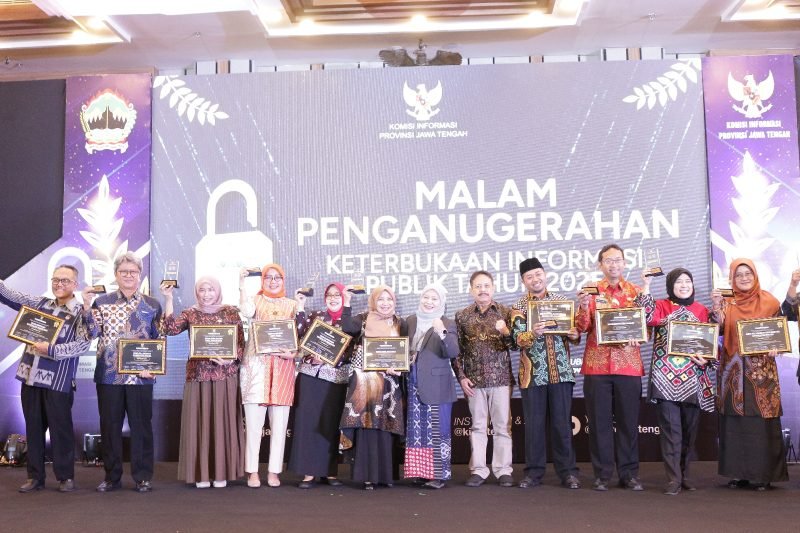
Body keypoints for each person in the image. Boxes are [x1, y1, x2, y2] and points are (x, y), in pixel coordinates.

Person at [0, 266, 90, 493]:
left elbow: (83, 345)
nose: (59, 284)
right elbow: (10, 295)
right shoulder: (40, 303)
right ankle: (35, 477)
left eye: (65, 280)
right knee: (33, 429)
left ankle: (65, 477)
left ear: (75, 284)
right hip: (30, 378)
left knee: (61, 431)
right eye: (56, 279)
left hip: (59, 381)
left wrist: (51, 350)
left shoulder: (82, 312)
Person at [84, 252, 163, 493]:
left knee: (142, 427)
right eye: (124, 271)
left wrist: (153, 369)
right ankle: (112, 477)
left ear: (140, 275)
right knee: (110, 428)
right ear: (116, 275)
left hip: (141, 377)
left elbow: (159, 339)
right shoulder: (101, 302)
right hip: (109, 376)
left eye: (133, 272)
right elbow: (91, 333)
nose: (129, 275)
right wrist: (86, 306)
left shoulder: (152, 304)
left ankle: (142, 477)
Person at [634, 268, 715, 495]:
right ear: (671, 286)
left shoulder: (702, 310)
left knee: (689, 433)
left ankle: (684, 475)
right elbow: (645, 316)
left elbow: (710, 340)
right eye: (679, 282)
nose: (684, 285)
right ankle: (673, 479)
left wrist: (706, 359)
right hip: (665, 381)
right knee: (671, 432)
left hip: (694, 380)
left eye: (687, 281)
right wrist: (646, 285)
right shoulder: (661, 306)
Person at [162, 276, 245, 489]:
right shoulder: (190, 312)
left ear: (218, 291)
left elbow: (241, 344)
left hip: (224, 376)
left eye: (211, 289)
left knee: (222, 424)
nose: (207, 294)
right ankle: (201, 474)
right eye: (202, 290)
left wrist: (230, 359)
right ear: (196, 292)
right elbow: (169, 329)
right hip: (197, 376)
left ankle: (222, 473)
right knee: (198, 424)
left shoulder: (230, 312)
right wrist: (168, 298)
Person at [712, 258, 788, 490]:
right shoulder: (727, 302)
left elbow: (779, 331)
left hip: (761, 373)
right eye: (738, 274)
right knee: (734, 422)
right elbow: (717, 330)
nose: (744, 278)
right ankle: (738, 474)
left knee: (760, 422)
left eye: (748, 274)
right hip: (732, 371)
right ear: (732, 278)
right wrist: (716, 307)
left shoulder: (770, 301)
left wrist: (777, 347)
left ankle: (763, 475)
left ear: (755, 276)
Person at [575, 243, 644, 492]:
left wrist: (639, 335)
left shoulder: (637, 292)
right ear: (600, 264)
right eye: (608, 260)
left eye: (617, 260)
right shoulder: (590, 292)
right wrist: (584, 307)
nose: (613, 265)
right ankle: (602, 474)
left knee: (628, 423)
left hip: (628, 365)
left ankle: (629, 474)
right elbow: (581, 328)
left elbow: (647, 324)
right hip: (598, 367)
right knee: (599, 423)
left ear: (624, 263)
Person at [510, 258, 581, 490]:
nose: (535, 279)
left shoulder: (562, 302)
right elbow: (517, 340)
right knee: (534, 427)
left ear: (545, 275)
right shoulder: (519, 307)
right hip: (532, 375)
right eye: (529, 276)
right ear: (523, 281)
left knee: (562, 425)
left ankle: (568, 472)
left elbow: (574, 335)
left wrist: (574, 335)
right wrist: (532, 332)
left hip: (561, 372)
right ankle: (533, 473)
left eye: (538, 274)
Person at [339, 285, 405, 490]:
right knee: (367, 426)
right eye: (380, 299)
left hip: (388, 383)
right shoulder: (363, 319)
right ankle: (367, 476)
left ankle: (385, 476)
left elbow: (405, 351)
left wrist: (400, 368)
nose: (385, 303)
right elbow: (346, 327)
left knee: (385, 427)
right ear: (374, 302)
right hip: (365, 383)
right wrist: (346, 302)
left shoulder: (399, 322)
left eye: (389, 299)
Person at [454, 271, 515, 488]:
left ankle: (503, 470)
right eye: (478, 286)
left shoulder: (506, 312)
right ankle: (478, 470)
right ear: (471, 289)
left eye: (486, 285)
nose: (483, 290)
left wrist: (506, 331)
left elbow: (516, 345)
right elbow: (456, 352)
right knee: (478, 426)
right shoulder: (462, 316)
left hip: (501, 379)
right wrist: (461, 377)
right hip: (474, 381)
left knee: (502, 427)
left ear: (493, 288)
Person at [239, 263, 297, 488]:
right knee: (253, 426)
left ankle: (274, 471)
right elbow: (245, 311)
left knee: (280, 425)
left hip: (282, 369)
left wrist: (294, 353)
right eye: (268, 277)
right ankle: (252, 471)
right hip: (256, 368)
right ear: (262, 280)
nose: (273, 282)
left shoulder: (292, 305)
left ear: (283, 280)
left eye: (277, 277)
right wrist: (241, 284)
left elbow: (299, 336)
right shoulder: (254, 301)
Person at [288, 282, 351, 489]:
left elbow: (352, 348)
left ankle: (329, 472)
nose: (333, 298)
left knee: (330, 424)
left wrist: (331, 359)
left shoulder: (349, 320)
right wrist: (300, 307)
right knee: (308, 423)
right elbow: (298, 336)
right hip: (310, 377)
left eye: (337, 294)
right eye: (329, 295)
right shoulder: (316, 316)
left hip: (335, 379)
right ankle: (308, 473)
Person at [403, 283, 459, 489]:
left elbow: (453, 351)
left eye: (434, 299)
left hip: (437, 384)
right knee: (417, 431)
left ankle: (438, 475)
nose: (429, 302)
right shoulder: (410, 320)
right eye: (426, 297)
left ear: (441, 302)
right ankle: (421, 472)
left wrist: (442, 332)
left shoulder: (447, 323)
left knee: (437, 429)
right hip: (413, 381)